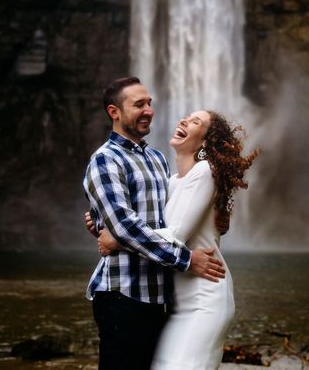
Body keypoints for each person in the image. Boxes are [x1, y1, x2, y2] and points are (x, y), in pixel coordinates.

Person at [97, 107, 258, 370]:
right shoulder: (172, 181)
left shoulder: (205, 171)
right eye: (186, 116)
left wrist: (117, 240)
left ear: (205, 142)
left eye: (196, 122)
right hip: (175, 304)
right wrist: (102, 220)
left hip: (204, 298)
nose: (183, 120)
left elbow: (174, 236)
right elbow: (141, 224)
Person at [83, 77, 227, 370]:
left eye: (149, 103)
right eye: (138, 105)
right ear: (114, 112)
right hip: (123, 294)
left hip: (159, 297)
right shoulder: (105, 160)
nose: (148, 110)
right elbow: (125, 225)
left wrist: (102, 225)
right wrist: (187, 260)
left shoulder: (157, 159)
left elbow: (171, 216)